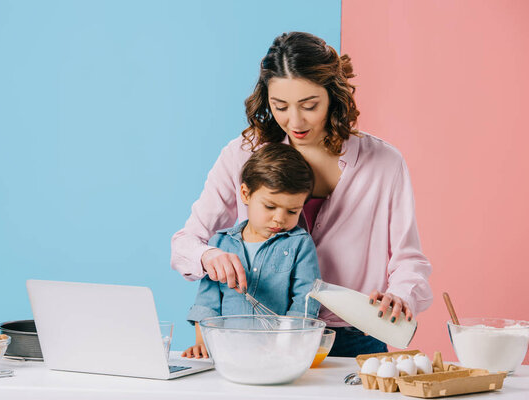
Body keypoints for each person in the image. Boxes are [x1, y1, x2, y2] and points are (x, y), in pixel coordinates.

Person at [171, 32, 433, 357]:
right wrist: (208, 257)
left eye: (309, 106)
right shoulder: (241, 155)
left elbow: (409, 259)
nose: (294, 121)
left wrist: (401, 295)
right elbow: (186, 242)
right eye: (279, 106)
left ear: (333, 96)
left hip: (353, 338)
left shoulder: (383, 163)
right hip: (259, 335)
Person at [182, 143, 321, 359]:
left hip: (276, 355)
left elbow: (305, 300)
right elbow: (206, 301)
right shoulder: (220, 243)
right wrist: (202, 343)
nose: (279, 218)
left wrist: (288, 343)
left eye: (292, 211)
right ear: (245, 194)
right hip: (227, 353)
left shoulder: (300, 244)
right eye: (270, 206)